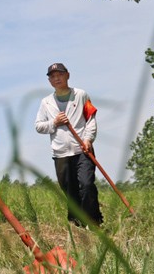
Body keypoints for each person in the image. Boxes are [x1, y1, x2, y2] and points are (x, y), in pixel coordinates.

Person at [35, 63, 103, 227]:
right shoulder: (46, 102)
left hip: (83, 150)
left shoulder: (81, 95)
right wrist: (55, 122)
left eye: (60, 74)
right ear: (49, 81)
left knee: (86, 185)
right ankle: (77, 222)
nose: (56, 78)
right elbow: (39, 126)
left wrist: (88, 139)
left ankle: (94, 221)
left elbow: (91, 119)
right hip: (61, 153)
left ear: (68, 75)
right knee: (70, 191)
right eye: (52, 76)